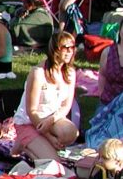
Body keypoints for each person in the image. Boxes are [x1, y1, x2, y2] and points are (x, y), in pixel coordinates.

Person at [13, 31, 78, 160]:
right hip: (30, 122)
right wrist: (49, 137)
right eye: (65, 48)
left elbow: (66, 105)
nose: (70, 51)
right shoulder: (38, 73)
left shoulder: (70, 72)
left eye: (72, 47)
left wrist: (51, 120)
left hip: (51, 120)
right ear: (55, 49)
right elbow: (31, 111)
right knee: (54, 164)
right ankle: (26, 146)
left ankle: (35, 145)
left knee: (71, 133)